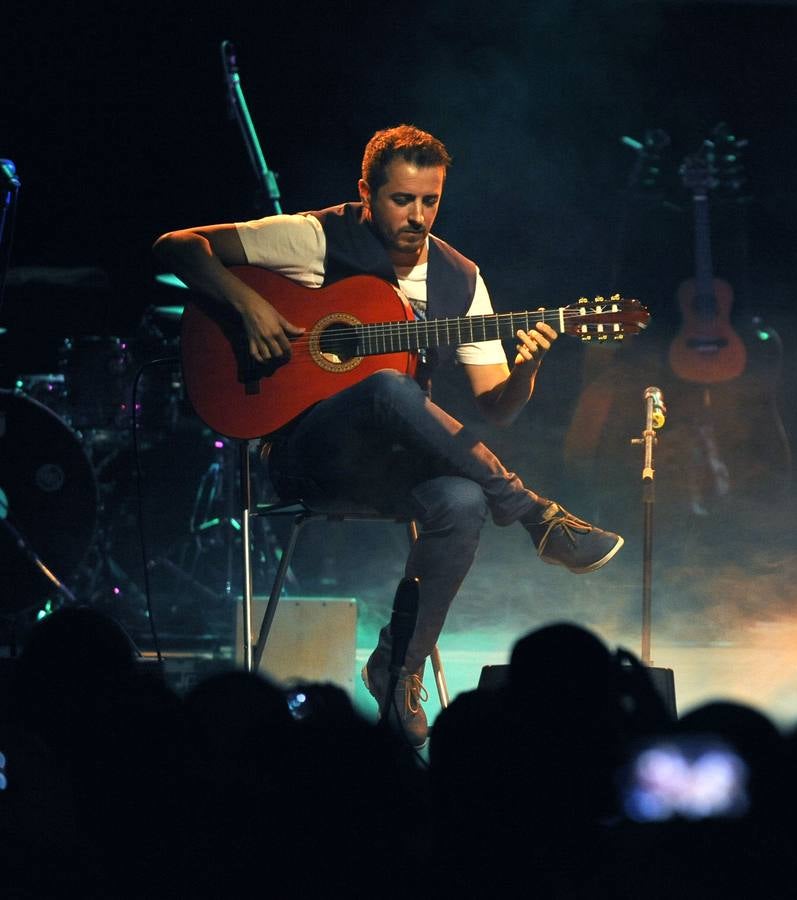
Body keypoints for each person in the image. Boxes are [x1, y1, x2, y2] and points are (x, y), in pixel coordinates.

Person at [154, 124, 623, 748]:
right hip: (307, 454)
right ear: (367, 194)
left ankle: (396, 669)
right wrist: (248, 304)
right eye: (403, 199)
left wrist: (529, 367)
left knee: (462, 501)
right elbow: (175, 246)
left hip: (393, 466)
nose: (418, 216)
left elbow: (497, 407)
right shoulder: (316, 236)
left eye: (431, 201)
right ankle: (536, 515)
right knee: (385, 388)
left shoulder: (460, 280)